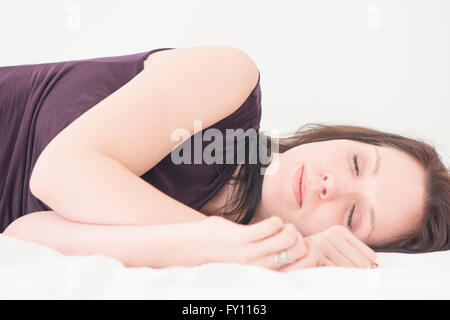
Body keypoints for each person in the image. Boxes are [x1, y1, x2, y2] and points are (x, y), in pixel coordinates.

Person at [1, 46, 449, 272]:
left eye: (352, 215)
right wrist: (215, 239)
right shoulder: (229, 81)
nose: (330, 185)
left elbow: (24, 232)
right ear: (342, 137)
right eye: (356, 163)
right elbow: (58, 174)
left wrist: (233, 250)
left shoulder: (230, 251)